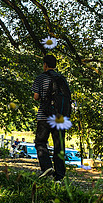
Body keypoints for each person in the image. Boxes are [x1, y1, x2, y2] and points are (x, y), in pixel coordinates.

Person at [32, 54, 72, 182]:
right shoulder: (62, 79)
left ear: (45, 65)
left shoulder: (40, 78)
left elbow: (36, 97)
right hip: (60, 117)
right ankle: (59, 176)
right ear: (55, 65)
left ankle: (47, 166)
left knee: (40, 142)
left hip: (45, 115)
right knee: (59, 146)